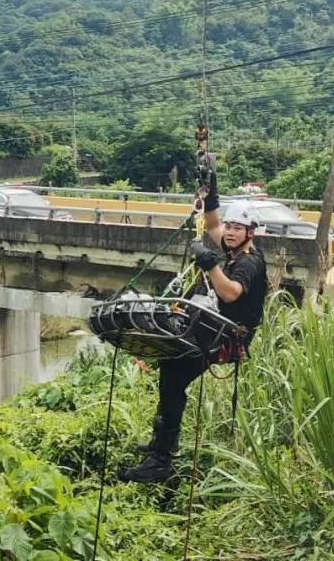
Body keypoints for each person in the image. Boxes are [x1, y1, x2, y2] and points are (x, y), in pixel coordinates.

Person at [119, 169, 269, 484]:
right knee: (170, 369)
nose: (228, 232)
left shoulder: (249, 262)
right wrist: (210, 189)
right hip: (212, 328)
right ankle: (164, 443)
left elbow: (230, 292)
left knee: (173, 376)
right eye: (230, 226)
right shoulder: (232, 249)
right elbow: (212, 223)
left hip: (228, 336)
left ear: (250, 233)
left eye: (237, 228)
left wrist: (209, 264)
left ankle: (160, 458)